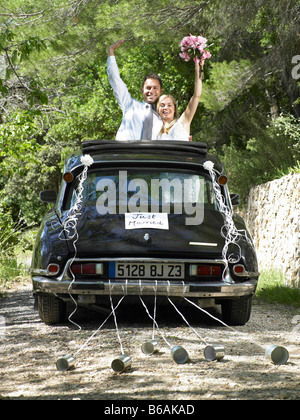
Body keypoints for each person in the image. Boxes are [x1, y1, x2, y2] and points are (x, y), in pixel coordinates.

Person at [107, 39, 163, 140]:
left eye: (155, 88)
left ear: (161, 91)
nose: (151, 91)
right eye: (148, 88)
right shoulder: (129, 104)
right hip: (124, 154)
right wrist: (111, 53)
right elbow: (115, 80)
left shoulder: (163, 118)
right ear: (142, 90)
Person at [156, 59, 204, 141]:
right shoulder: (154, 132)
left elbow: (196, 95)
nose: (166, 108)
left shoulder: (182, 123)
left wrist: (197, 67)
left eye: (169, 105)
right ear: (158, 109)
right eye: (162, 105)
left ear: (174, 109)